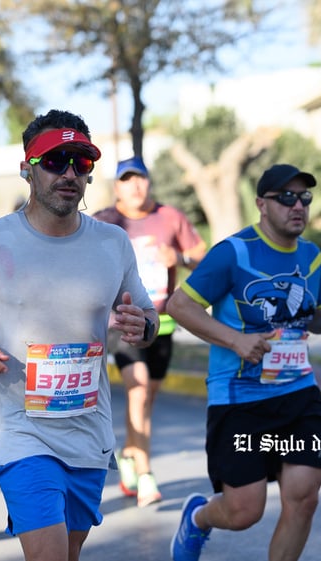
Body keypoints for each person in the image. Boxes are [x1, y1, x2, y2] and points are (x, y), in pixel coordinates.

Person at [0, 109, 157, 561]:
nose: (69, 173)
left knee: (68, 553)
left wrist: (143, 325)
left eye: (81, 163)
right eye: (55, 161)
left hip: (89, 431)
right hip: (21, 432)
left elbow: (146, 315)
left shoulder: (112, 243)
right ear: (27, 169)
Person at [165, 164, 321, 561]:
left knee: (303, 498)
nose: (297, 205)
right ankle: (198, 518)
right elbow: (180, 306)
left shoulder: (311, 255)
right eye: (286, 197)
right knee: (244, 511)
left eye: (304, 198)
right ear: (261, 204)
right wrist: (236, 340)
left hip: (298, 391)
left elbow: (308, 316)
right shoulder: (233, 253)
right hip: (239, 397)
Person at [93, 156, 206, 507]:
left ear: (148, 182)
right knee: (138, 390)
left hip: (162, 322)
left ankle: (129, 452)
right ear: (117, 188)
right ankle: (144, 473)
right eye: (127, 180)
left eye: (140, 178)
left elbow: (202, 255)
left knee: (148, 396)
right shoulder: (104, 221)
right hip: (122, 322)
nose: (135, 186)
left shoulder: (170, 217)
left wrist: (181, 259)